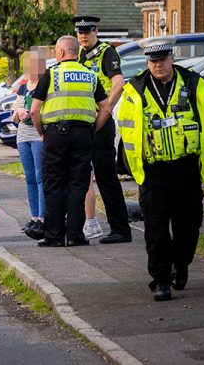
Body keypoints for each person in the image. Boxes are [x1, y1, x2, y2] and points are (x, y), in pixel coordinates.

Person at [117, 40, 204, 301]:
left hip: (186, 168)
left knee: (189, 226)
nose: (157, 65)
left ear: (172, 57)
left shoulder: (193, 83)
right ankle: (160, 281)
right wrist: (134, 168)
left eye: (161, 59)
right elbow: (126, 128)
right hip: (153, 171)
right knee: (156, 230)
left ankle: (180, 265)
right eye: (152, 61)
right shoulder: (135, 89)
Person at [29, 36, 111, 247]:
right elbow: (106, 108)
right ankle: (75, 236)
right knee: (78, 184)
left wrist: (42, 132)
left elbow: (34, 110)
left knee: (54, 183)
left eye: (56, 51)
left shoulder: (52, 73)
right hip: (83, 135)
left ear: (62, 53)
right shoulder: (91, 75)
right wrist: (93, 130)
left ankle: (54, 236)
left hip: (56, 135)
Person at [75, 15, 132, 244]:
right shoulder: (79, 54)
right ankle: (82, 227)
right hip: (85, 121)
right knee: (81, 176)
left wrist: (107, 108)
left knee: (106, 177)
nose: (83, 37)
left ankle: (120, 229)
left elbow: (118, 82)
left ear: (95, 31)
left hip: (102, 120)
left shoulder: (107, 52)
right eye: (80, 34)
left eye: (87, 33)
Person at [13, 49, 46, 239]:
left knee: (40, 175)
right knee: (29, 177)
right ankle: (34, 217)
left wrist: (31, 114)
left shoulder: (44, 85)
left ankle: (43, 217)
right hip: (23, 135)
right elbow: (14, 112)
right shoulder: (23, 87)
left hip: (38, 134)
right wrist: (20, 112)